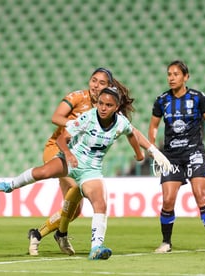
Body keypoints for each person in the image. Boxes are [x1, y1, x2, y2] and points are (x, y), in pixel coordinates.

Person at [0, 86, 145, 260]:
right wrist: (69, 155)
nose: (103, 108)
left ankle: (96, 248)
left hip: (90, 170)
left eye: (108, 105)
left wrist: (138, 153)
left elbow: (131, 134)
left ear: (116, 107)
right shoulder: (88, 117)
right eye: (100, 103)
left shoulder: (121, 122)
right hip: (70, 160)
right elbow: (63, 138)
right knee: (43, 172)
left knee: (100, 203)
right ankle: (10, 185)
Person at [26, 68, 170, 256]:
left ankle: (40, 233)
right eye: (94, 80)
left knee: (76, 210)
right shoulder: (78, 97)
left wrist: (142, 152)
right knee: (75, 191)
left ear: (109, 87)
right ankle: (58, 233)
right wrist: (79, 123)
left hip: (80, 157)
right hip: (59, 149)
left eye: (102, 83)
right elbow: (56, 118)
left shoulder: (107, 105)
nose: (96, 85)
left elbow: (131, 132)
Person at [148, 60, 205, 254]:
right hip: (171, 157)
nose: (171, 78)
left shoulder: (198, 97)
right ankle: (166, 243)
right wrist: (153, 147)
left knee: (201, 195)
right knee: (167, 200)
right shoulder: (162, 100)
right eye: (169, 74)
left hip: (194, 153)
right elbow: (154, 125)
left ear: (186, 77)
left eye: (176, 74)